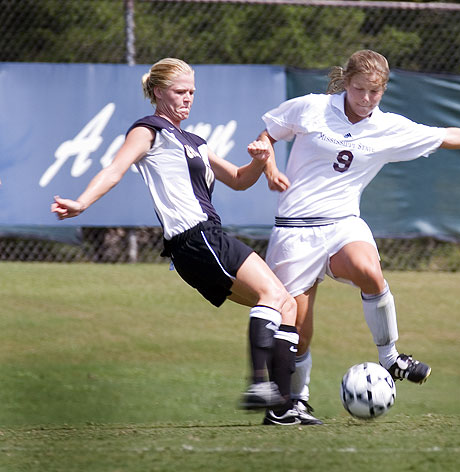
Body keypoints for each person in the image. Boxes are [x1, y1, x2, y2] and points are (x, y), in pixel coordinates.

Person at [254, 49, 460, 425]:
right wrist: (268, 166)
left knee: (369, 269)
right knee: (297, 332)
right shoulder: (312, 108)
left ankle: (390, 356)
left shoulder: (387, 128)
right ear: (346, 83)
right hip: (295, 231)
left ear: (383, 91)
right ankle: (294, 401)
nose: (366, 99)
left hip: (342, 223)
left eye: (374, 92)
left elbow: (445, 136)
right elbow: (267, 133)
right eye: (358, 89)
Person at [51, 57, 300, 418]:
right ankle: (259, 383)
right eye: (180, 92)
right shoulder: (149, 129)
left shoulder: (195, 141)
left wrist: (261, 161)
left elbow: (239, 179)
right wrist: (82, 202)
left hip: (198, 246)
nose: (188, 99)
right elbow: (115, 169)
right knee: (273, 295)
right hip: (198, 237)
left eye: (192, 92)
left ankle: (283, 407)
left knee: (286, 305)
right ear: (157, 93)